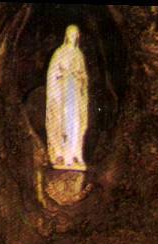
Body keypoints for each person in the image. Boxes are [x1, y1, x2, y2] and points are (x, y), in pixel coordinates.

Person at [46, 25, 88, 170]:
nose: (72, 36)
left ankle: (74, 153)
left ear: (77, 36)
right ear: (66, 35)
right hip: (62, 93)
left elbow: (84, 76)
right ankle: (61, 154)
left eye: (75, 34)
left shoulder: (79, 55)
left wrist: (79, 77)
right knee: (61, 121)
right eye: (70, 34)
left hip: (74, 94)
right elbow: (52, 73)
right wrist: (62, 75)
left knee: (75, 123)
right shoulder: (59, 53)